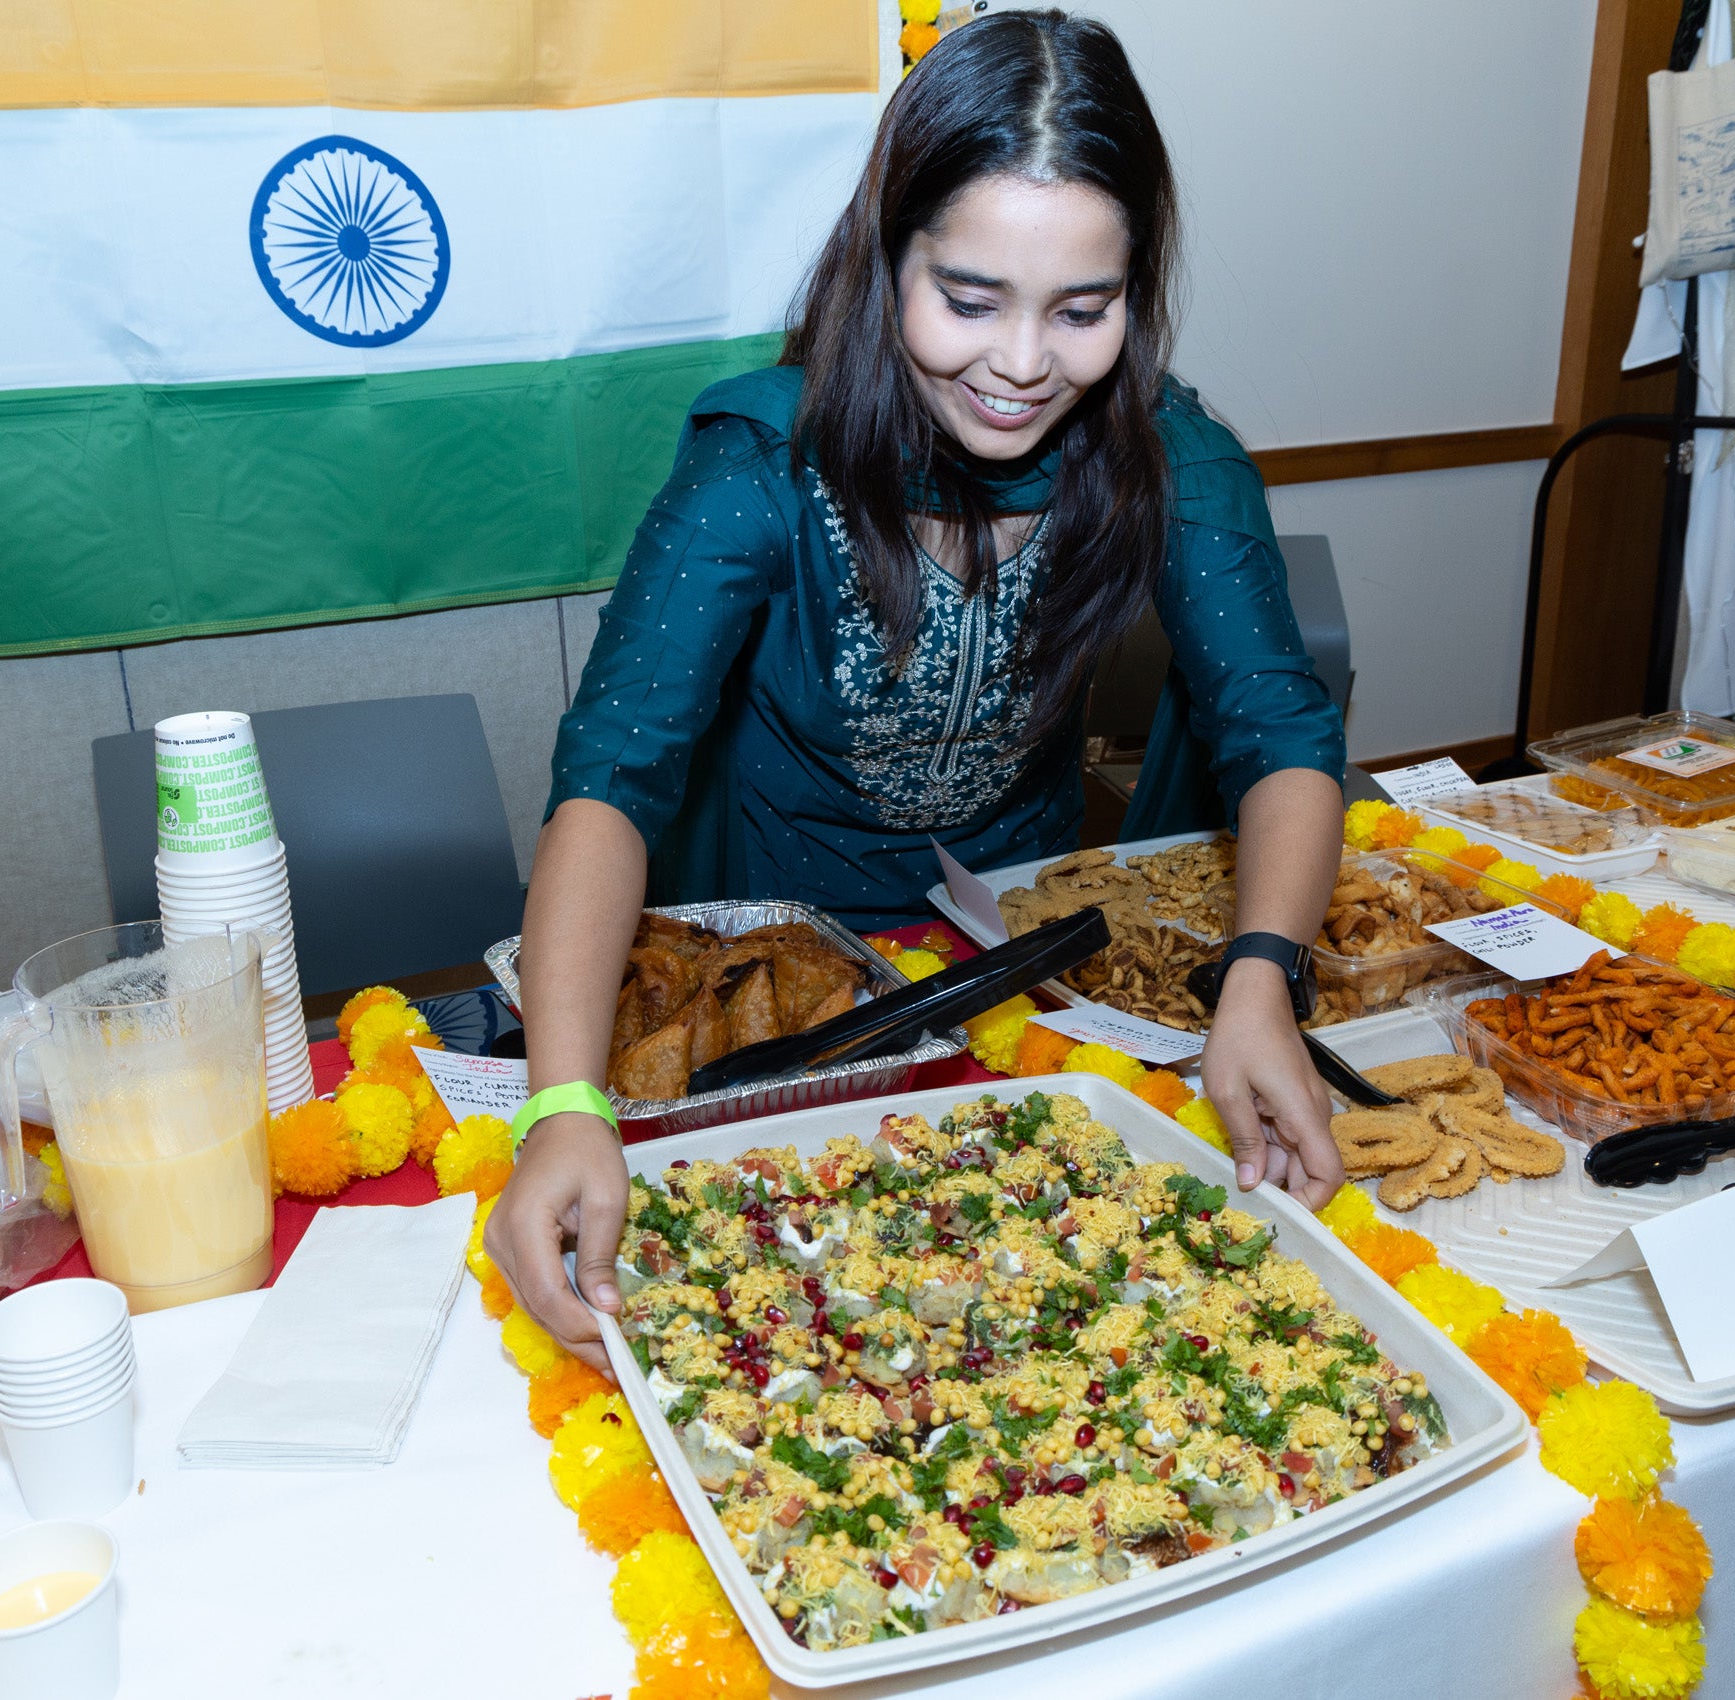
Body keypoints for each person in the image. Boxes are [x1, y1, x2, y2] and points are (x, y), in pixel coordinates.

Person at [487, 11, 1349, 1369]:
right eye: (967, 297)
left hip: (1023, 971)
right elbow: (611, 773)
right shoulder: (756, 463)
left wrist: (1258, 975)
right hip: (781, 992)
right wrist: (563, 1105)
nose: (1020, 364)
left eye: (1081, 311)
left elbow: (1281, 726)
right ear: (883, 257)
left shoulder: (1171, 455)